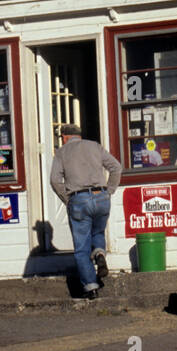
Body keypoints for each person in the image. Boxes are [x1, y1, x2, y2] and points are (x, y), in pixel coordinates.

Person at [49, 123, 123, 299]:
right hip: (101, 197)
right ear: (79, 136)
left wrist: (67, 199)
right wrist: (109, 190)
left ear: (65, 137)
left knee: (81, 248)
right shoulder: (95, 146)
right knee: (98, 231)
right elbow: (116, 167)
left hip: (79, 199)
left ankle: (91, 287)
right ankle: (99, 254)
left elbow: (54, 180)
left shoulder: (62, 152)